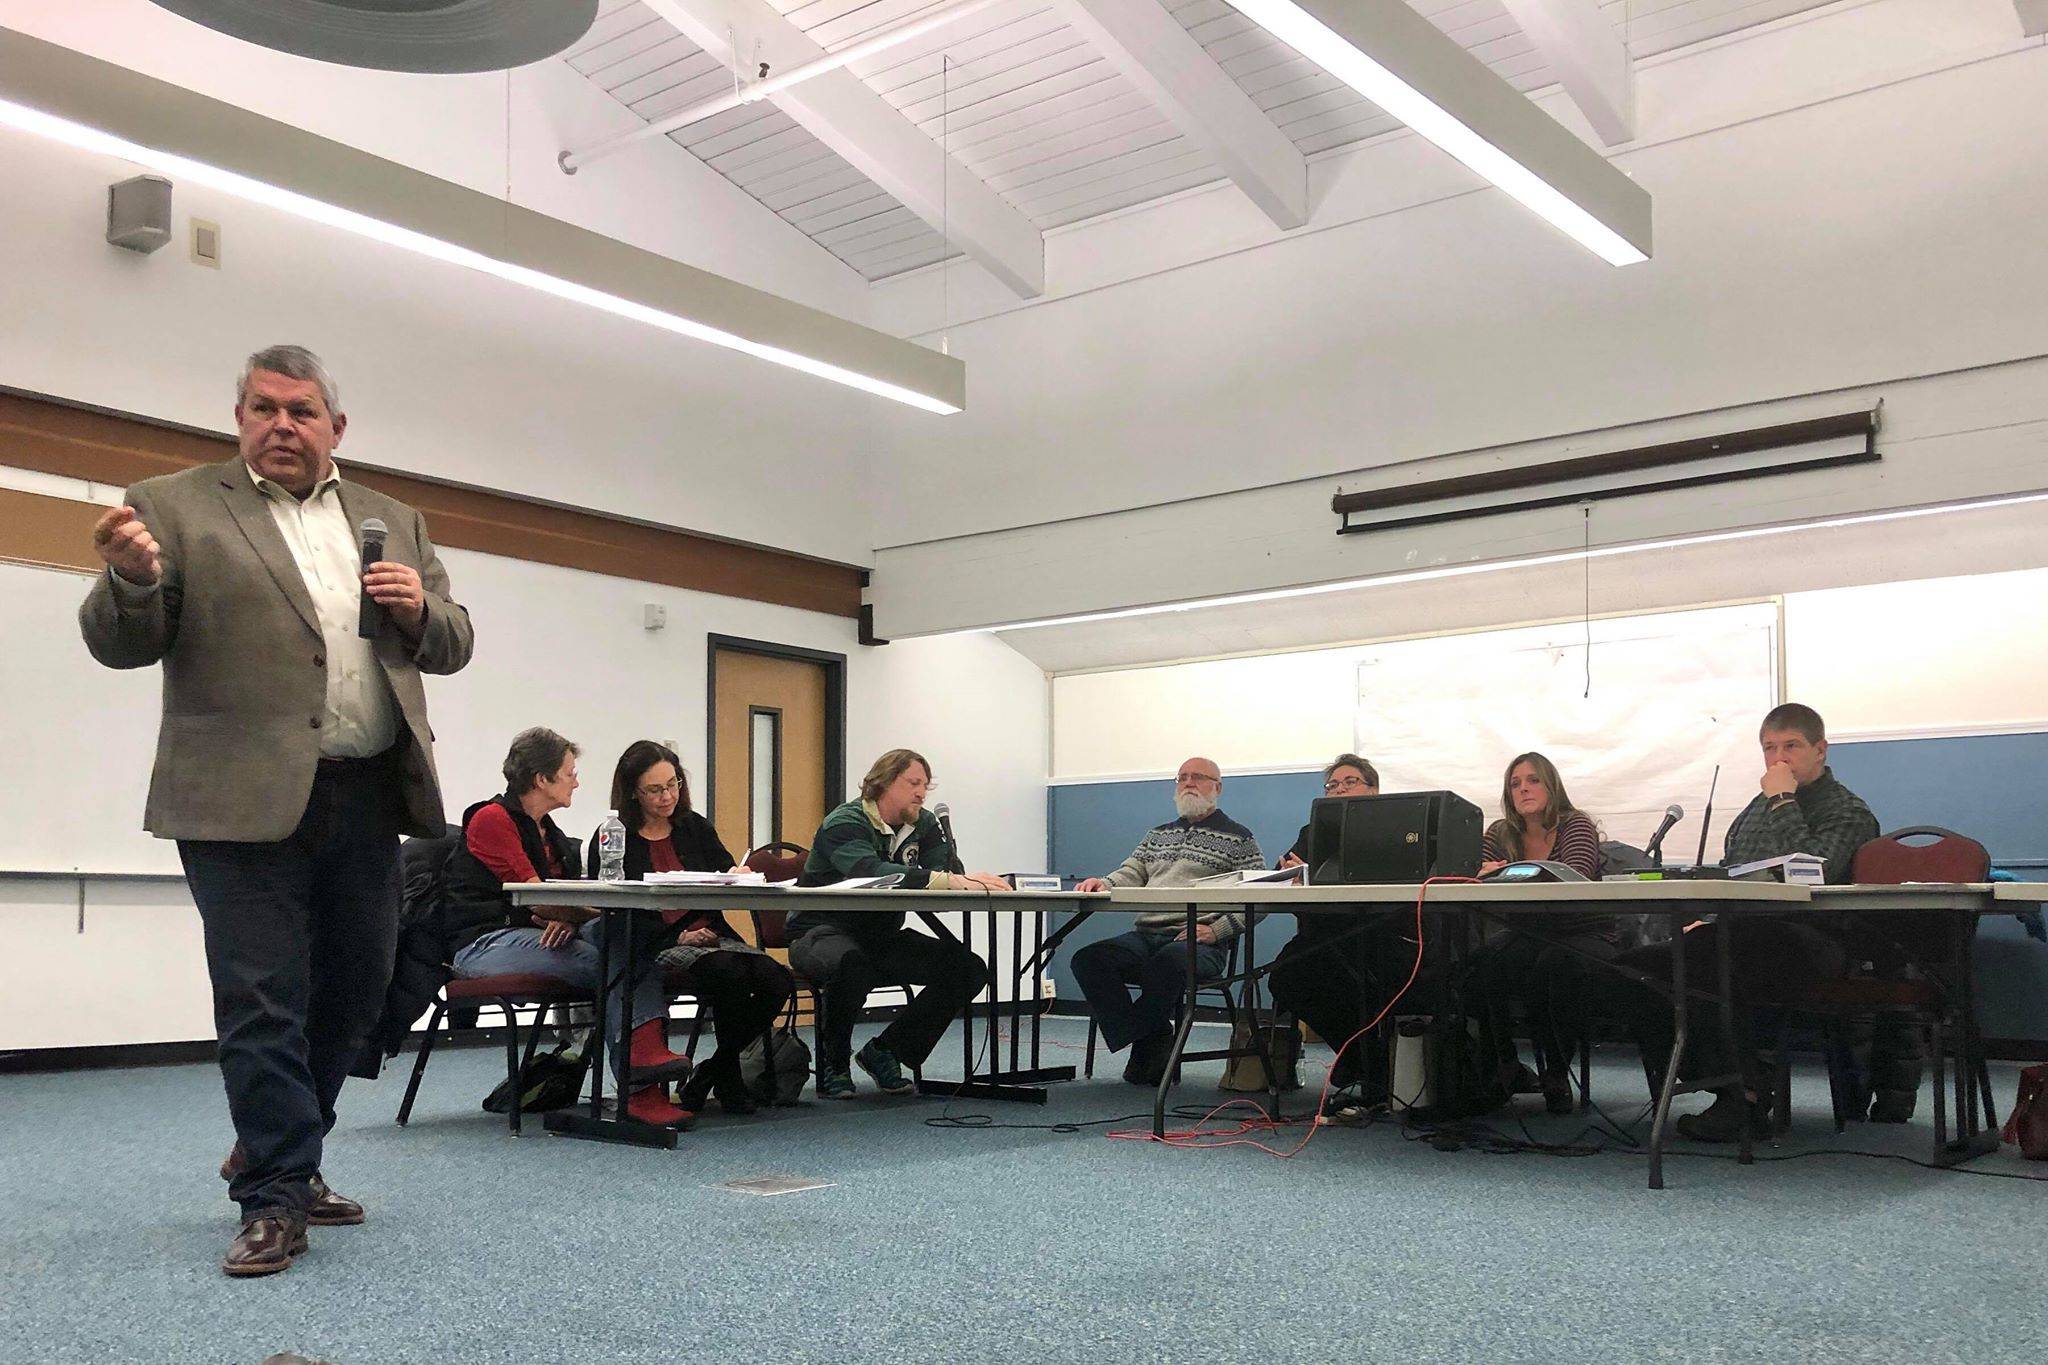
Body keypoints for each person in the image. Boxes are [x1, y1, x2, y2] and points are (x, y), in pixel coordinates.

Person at [78, 345, 474, 1277]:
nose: (281, 425)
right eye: (263, 408)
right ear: (239, 417)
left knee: (358, 991)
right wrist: (129, 579)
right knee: (264, 997)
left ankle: (275, 1150)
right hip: (234, 799)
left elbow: (453, 644)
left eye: (301, 410)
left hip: (369, 789)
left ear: (338, 427)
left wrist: (421, 610)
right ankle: (276, 1196)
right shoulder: (172, 505)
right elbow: (120, 644)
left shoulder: (395, 519)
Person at [1592, 703, 1879, 1141]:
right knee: (1635, 969)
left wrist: (1783, 799)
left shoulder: (1848, 811)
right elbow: (1731, 873)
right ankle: (1735, 1078)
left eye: (1791, 747)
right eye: (1769, 748)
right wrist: (1704, 917)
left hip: (1813, 938)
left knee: (1711, 962)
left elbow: (1811, 872)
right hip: (1738, 932)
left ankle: (1742, 1095)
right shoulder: (1754, 809)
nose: (1779, 759)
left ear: (1820, 750)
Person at [441, 729, 697, 1129]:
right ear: (542, 779)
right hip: (484, 942)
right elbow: (534, 897)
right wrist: (571, 913)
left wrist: (568, 915)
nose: (576, 781)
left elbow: (556, 903)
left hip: (536, 931)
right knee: (613, 960)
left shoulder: (549, 832)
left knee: (627, 938)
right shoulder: (491, 819)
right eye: (569, 773)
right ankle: (641, 1083)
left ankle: (644, 1073)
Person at [589, 741, 793, 1116]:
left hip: (713, 934)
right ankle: (726, 1077)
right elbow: (615, 910)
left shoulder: (693, 826)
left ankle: (713, 1070)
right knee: (729, 975)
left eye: (674, 783)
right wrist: (680, 935)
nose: (668, 796)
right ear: (633, 791)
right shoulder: (615, 836)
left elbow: (726, 872)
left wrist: (739, 874)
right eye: (655, 789)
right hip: (659, 942)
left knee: (774, 979)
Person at [790, 749, 1005, 1099]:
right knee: (851, 964)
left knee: (967, 968)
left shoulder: (923, 824)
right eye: (913, 783)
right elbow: (868, 872)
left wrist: (960, 876)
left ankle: (887, 1051)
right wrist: (944, 880)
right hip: (819, 931)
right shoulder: (845, 822)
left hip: (880, 936)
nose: (921, 793)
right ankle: (834, 1065)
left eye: (925, 785)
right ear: (885, 782)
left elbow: (943, 875)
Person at [1070, 757, 1265, 1086]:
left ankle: (1145, 1038)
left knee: (1170, 963)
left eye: (1198, 777)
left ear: (1217, 788)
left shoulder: (1239, 839)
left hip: (1200, 941)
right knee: (1089, 960)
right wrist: (1103, 883)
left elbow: (1260, 898)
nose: (1188, 783)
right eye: (1182, 777)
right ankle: (1155, 1033)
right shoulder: (1156, 835)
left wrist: (1216, 930)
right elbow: (1131, 872)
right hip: (1146, 935)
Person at [1461, 753, 1610, 1114]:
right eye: (1515, 784)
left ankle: (1556, 1074)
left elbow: (1572, 875)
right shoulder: (1500, 832)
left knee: (1553, 965)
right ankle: (1505, 1066)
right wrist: (1481, 872)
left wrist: (1507, 871)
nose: (1524, 788)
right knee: (1475, 969)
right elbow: (1470, 872)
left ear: (1551, 786)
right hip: (1527, 932)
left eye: (1533, 780)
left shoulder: (1575, 824)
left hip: (1582, 931)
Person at [1265, 755, 1415, 1112]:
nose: (1340, 789)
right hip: (1322, 936)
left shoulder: (1398, 828)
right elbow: (1280, 874)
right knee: (1286, 977)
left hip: (1381, 934)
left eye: (1350, 782)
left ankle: (1369, 1064)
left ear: (1374, 791)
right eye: (1333, 785)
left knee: (1375, 980)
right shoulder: (1312, 831)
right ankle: (1360, 1059)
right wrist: (1294, 874)